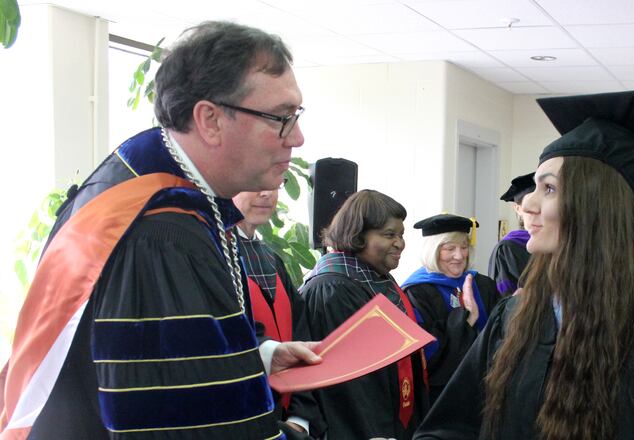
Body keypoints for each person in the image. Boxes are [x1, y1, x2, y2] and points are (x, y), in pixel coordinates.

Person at [1, 21, 320, 439]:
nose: (296, 137)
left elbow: (161, 355)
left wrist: (260, 354)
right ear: (209, 120)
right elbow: (182, 419)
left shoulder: (150, 186)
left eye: (295, 115)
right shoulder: (161, 234)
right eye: (280, 117)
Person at [415, 90, 634, 439]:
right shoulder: (514, 316)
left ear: (597, 206)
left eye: (549, 189)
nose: (529, 205)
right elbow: (453, 427)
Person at [301, 189, 429, 440]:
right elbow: (349, 387)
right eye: (389, 234)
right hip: (364, 428)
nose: (400, 243)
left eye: (401, 235)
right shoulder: (332, 290)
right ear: (357, 236)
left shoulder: (378, 278)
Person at [233, 189, 326, 439]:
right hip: (241, 416)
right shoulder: (216, 257)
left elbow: (301, 336)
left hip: (288, 417)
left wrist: (300, 419)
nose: (266, 194)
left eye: (274, 185)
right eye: (255, 184)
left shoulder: (271, 259)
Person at [401, 214, 501, 403]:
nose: (459, 255)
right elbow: (426, 355)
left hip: (487, 388)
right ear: (433, 251)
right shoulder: (417, 292)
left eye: (464, 247)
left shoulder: (482, 284)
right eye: (450, 248)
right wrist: (467, 320)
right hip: (443, 396)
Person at [488, 173, 535, 295]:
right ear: (518, 209)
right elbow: (505, 299)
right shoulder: (508, 249)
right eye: (531, 204)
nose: (537, 210)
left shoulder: (557, 242)